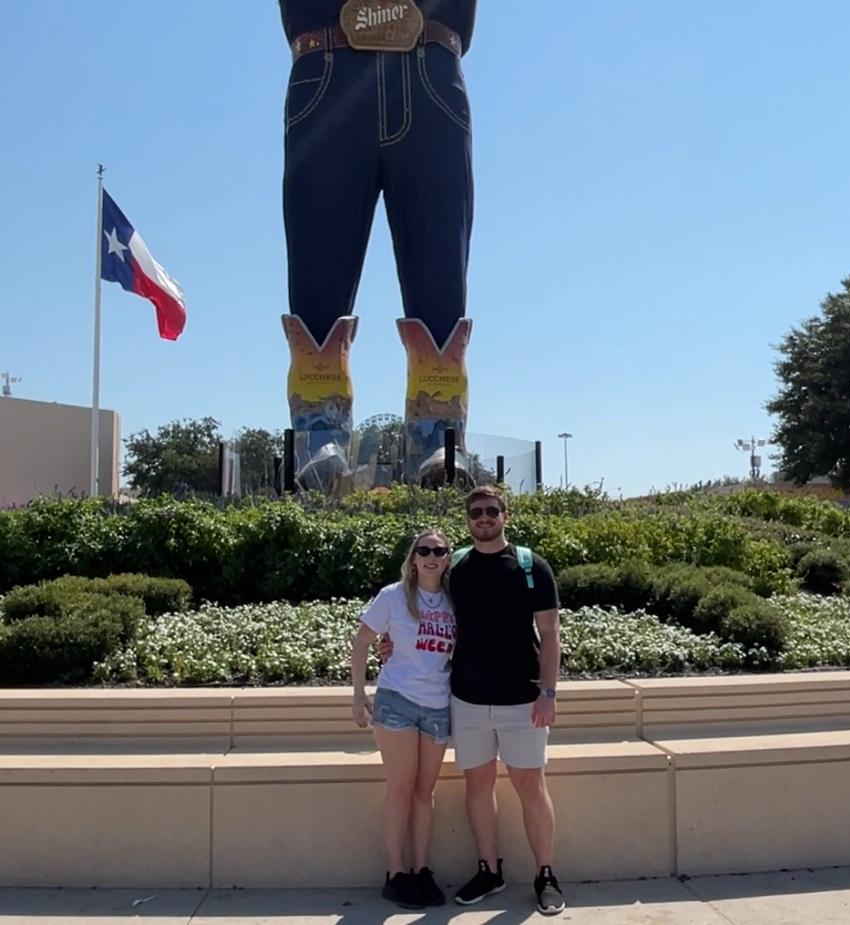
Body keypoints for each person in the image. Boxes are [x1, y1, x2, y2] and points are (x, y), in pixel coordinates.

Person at [277, 1, 478, 489]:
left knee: (439, 260)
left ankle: (440, 436)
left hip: (430, 57)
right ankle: (318, 433)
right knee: (319, 258)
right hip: (327, 60)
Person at [381, 485, 566, 915]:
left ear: (505, 515)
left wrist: (548, 693)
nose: (484, 518)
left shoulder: (532, 567)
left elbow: (551, 634)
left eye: (491, 511)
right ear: (468, 519)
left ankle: (545, 874)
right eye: (476, 512)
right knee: (478, 789)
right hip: (466, 700)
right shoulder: (457, 567)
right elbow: (424, 611)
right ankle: (489, 869)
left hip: (523, 701)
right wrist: (388, 644)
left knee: (531, 787)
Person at [350, 528, 456, 910]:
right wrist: (359, 694)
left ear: (448, 558)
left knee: (425, 793)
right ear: (413, 558)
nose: (431, 557)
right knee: (400, 789)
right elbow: (362, 641)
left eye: (439, 551)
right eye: (423, 550)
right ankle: (395, 874)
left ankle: (421, 869)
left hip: (438, 705)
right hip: (398, 701)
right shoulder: (393, 597)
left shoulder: (454, 601)